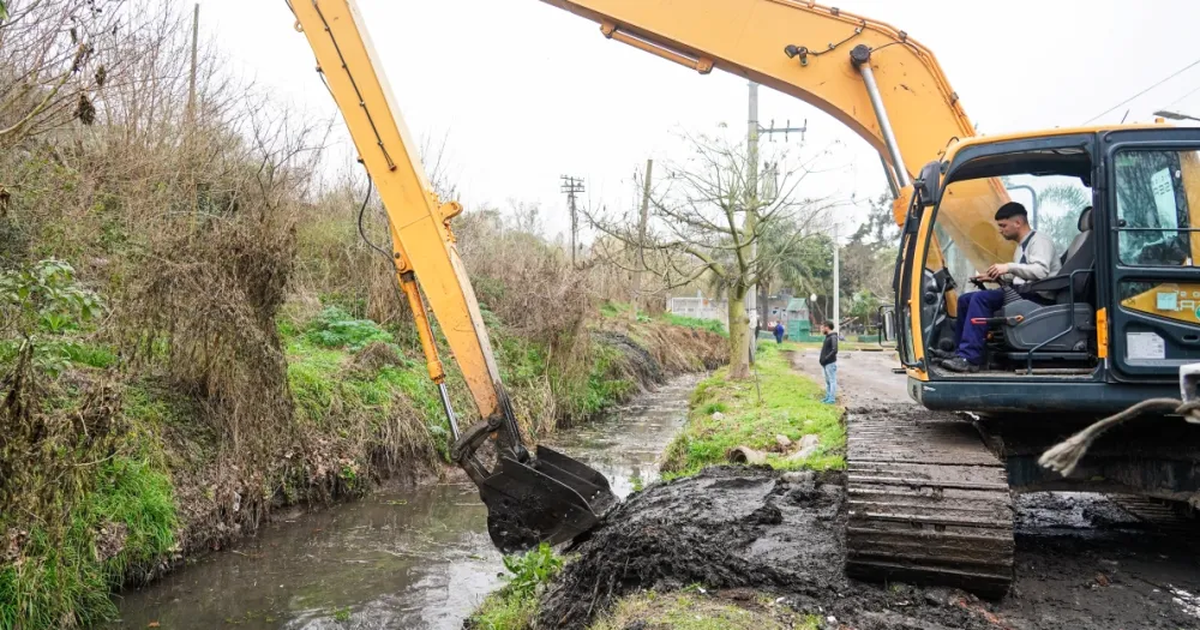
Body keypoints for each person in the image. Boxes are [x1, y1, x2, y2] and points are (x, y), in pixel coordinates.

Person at [937, 201, 1060, 373]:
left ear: (1018, 223)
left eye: (1003, 225)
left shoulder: (1039, 241)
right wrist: (996, 275)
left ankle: (970, 358)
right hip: (1023, 292)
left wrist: (1008, 267)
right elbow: (1021, 273)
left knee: (981, 300)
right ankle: (960, 353)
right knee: (965, 300)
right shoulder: (1022, 245)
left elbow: (1040, 271)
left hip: (1036, 296)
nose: (1001, 230)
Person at [818, 321, 838, 404]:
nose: (821, 330)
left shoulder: (833, 337)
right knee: (828, 381)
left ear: (827, 327)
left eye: (822, 328)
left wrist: (826, 359)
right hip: (825, 363)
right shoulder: (828, 337)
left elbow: (834, 350)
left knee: (832, 381)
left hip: (829, 363)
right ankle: (828, 396)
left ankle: (832, 398)